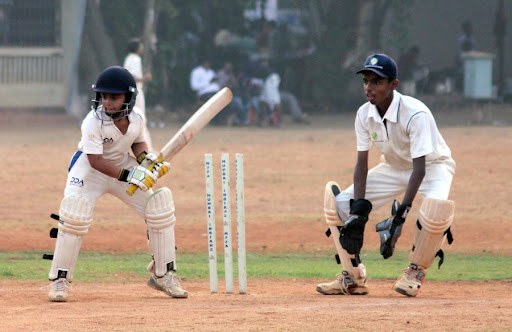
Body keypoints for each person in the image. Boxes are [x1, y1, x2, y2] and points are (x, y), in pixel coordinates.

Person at [316, 54, 456, 297]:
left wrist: (401, 215)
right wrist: (358, 211)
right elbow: (362, 163)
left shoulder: (415, 113)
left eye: (377, 82)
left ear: (394, 85)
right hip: (392, 167)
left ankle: (414, 272)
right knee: (339, 205)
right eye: (367, 81)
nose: (369, 88)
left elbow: (419, 169)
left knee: (435, 211)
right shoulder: (363, 114)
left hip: (433, 167)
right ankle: (353, 277)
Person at [47, 66, 188, 302]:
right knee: (74, 213)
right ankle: (59, 280)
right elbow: (95, 160)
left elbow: (138, 143)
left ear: (128, 98)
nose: (108, 103)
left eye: (114, 97)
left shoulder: (137, 118)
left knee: (158, 206)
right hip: (90, 170)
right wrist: (130, 175)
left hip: (123, 165)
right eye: (104, 97)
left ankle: (163, 274)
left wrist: (146, 159)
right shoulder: (92, 121)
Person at [123, 38, 155, 149]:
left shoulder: (128, 58)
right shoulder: (136, 59)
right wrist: (144, 78)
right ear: (137, 48)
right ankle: (147, 149)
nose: (142, 48)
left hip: (127, 92)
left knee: (130, 119)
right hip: (136, 93)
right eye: (140, 46)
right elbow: (133, 76)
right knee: (141, 119)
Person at [189, 59, 234, 125]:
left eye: (209, 63)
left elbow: (216, 83)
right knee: (215, 101)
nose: (208, 64)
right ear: (203, 63)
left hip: (215, 92)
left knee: (226, 100)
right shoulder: (196, 72)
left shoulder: (211, 72)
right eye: (207, 63)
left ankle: (220, 120)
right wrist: (208, 82)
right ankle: (214, 121)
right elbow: (194, 86)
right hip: (203, 93)